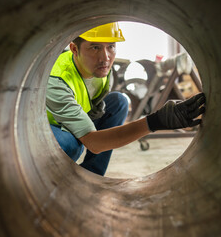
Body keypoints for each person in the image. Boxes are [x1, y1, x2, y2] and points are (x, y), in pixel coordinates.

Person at [46, 22, 206, 176]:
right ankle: (63, 178)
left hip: (74, 116)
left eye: (111, 46)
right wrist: (156, 121)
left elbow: (95, 103)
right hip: (51, 127)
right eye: (95, 47)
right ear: (74, 49)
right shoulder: (57, 80)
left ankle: (91, 174)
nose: (105, 57)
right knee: (69, 145)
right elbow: (94, 143)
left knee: (119, 101)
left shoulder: (98, 65)